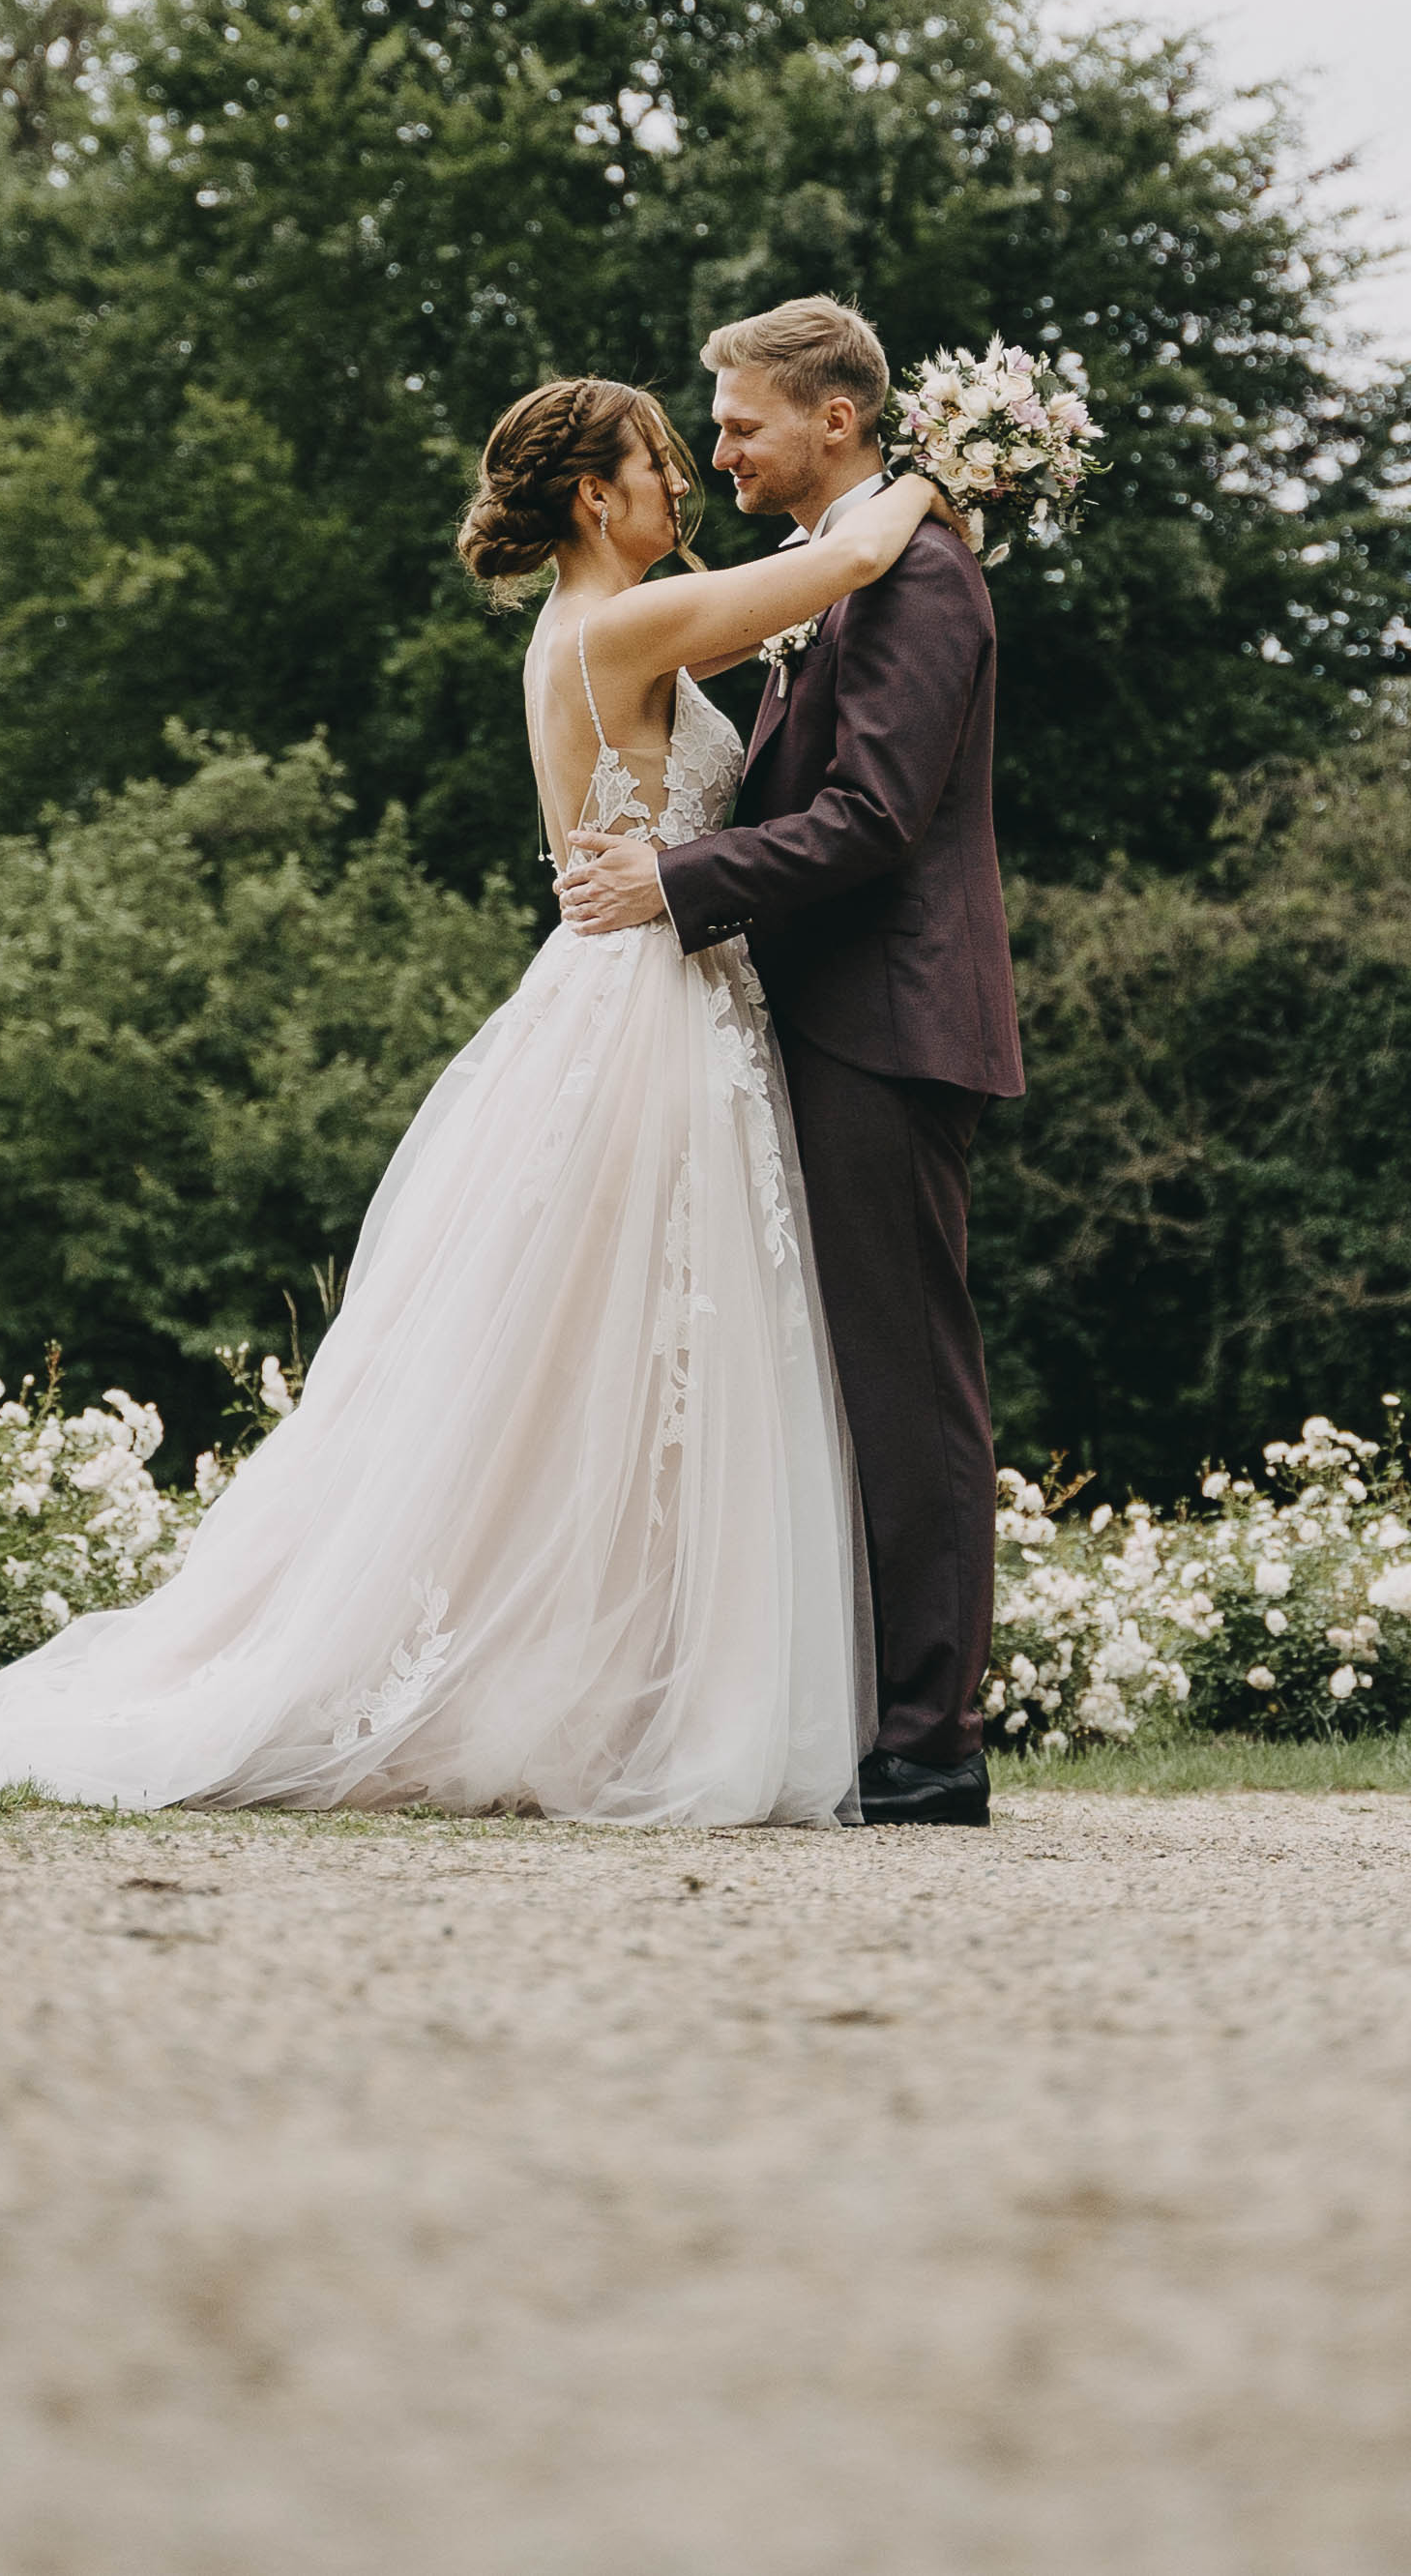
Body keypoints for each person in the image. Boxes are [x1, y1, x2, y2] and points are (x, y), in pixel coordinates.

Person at [0, 379, 934, 1823]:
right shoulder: (614, 623)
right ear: (590, 498)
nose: (680, 487)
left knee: (613, 1359)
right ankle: (590, 1681)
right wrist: (959, 468)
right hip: (646, 1016)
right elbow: (848, 565)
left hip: (653, 997)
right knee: (624, 1343)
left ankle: (612, 1671)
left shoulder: (601, 624)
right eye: (656, 466)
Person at [556, 296, 1022, 1828]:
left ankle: (931, 1743)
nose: (721, 448)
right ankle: (870, 1718)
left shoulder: (923, 579)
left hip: (886, 1023)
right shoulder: (843, 576)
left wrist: (679, 887)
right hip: (813, 1020)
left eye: (744, 421)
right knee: (842, 1380)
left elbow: (877, 821)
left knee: (906, 1380)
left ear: (836, 420)